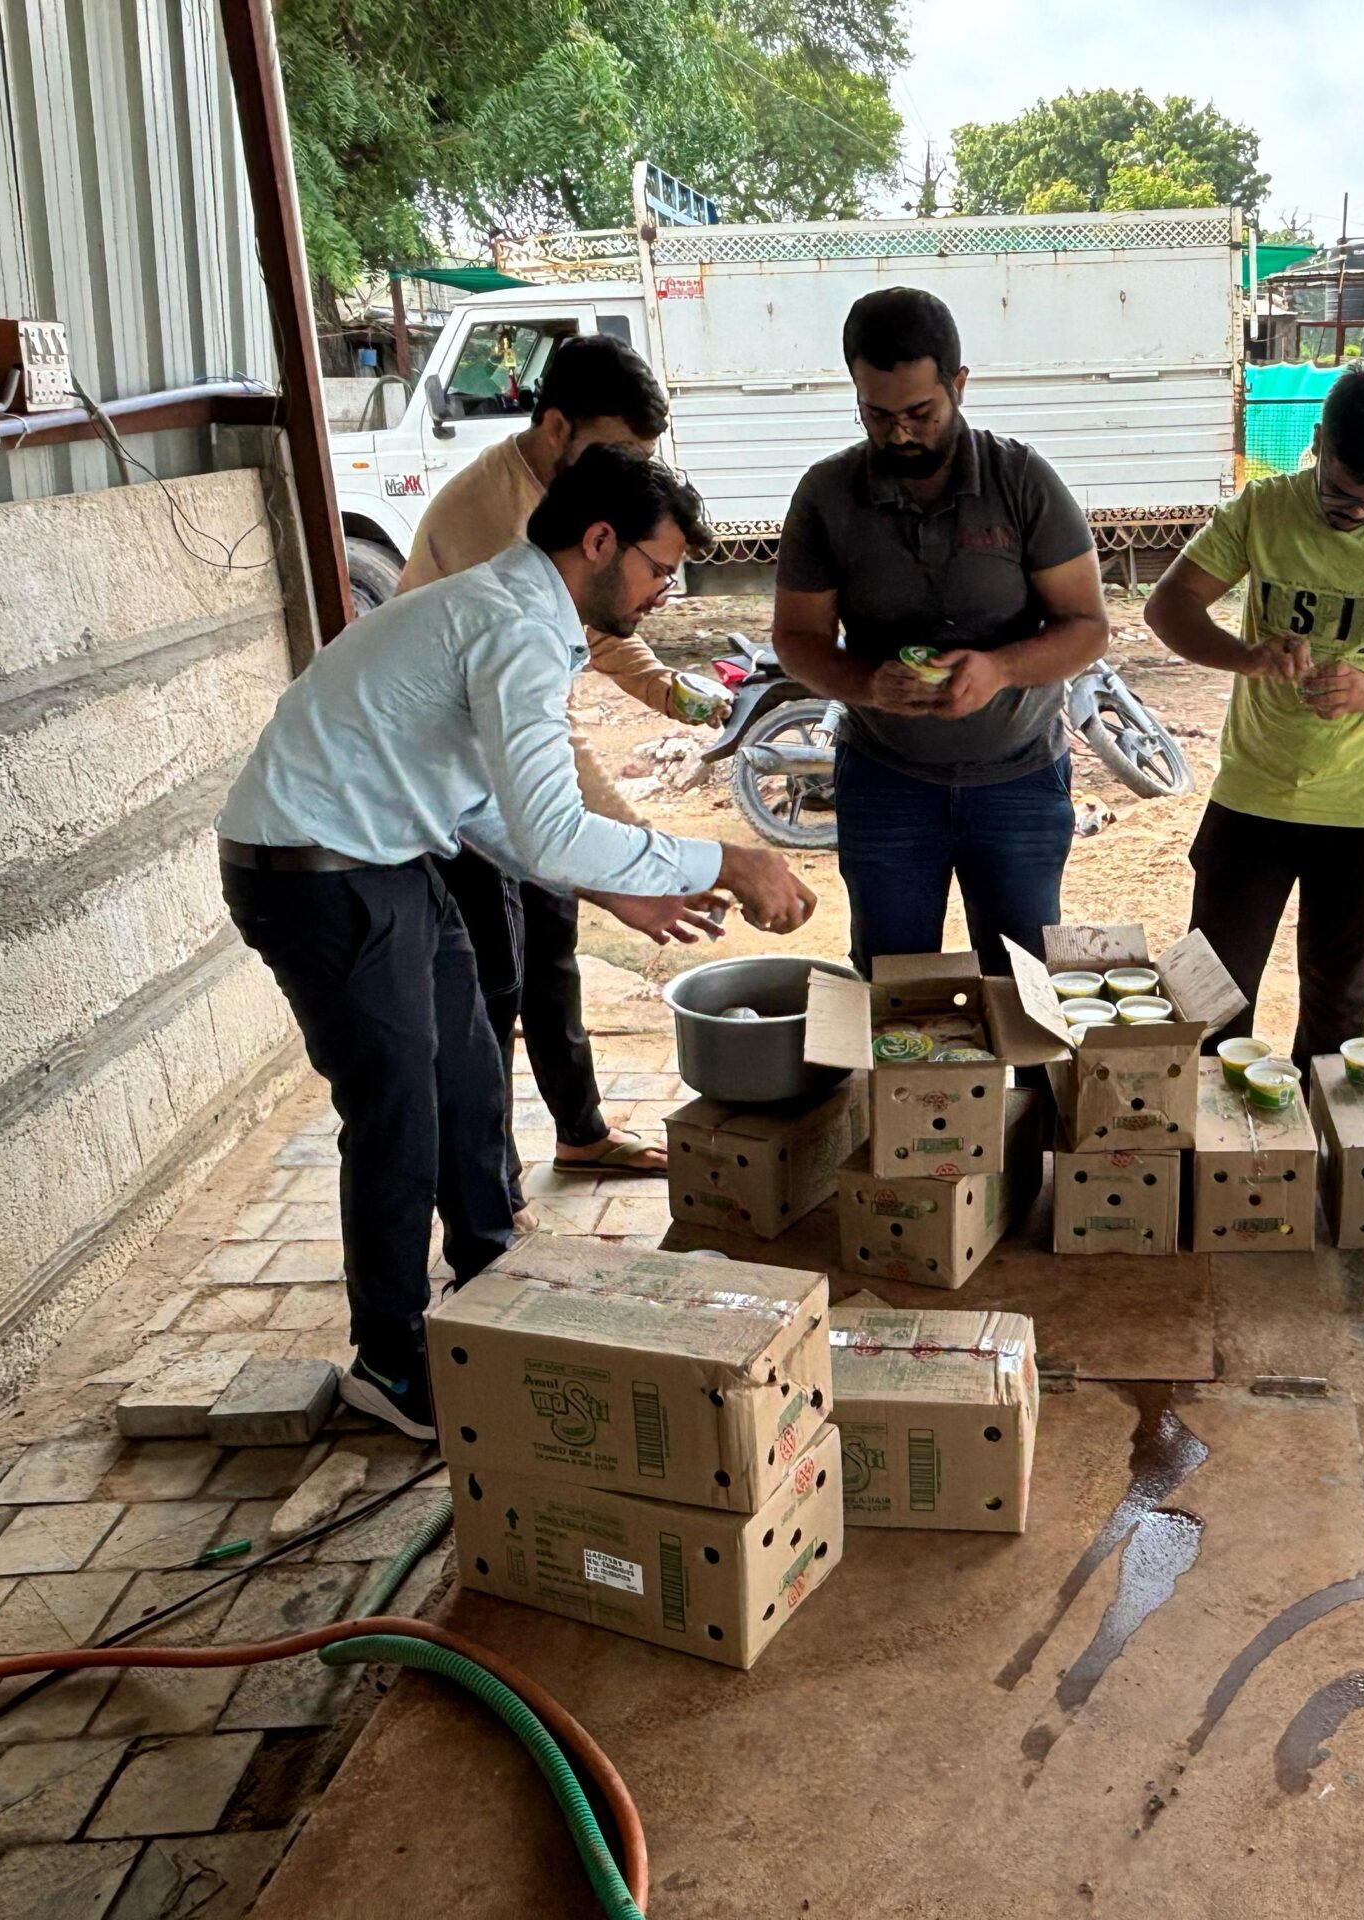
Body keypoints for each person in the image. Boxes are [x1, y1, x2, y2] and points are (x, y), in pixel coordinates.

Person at [218, 447, 818, 1439]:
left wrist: (616, 892)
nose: (667, 592)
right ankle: (391, 1362)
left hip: (387, 851)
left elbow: (490, 809)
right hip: (314, 871)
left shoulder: (520, 612)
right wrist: (725, 861)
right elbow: (540, 826)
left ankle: (496, 1272)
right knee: (397, 1111)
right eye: (660, 567)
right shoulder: (512, 626)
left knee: (465, 1068)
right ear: (598, 543)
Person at [398, 332, 723, 1211]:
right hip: (454, 782)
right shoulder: (488, 517)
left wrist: (668, 692)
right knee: (486, 988)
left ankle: (578, 1135)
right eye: (614, 452)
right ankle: (486, 1193)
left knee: (552, 955)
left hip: (505, 762)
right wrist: (643, 847)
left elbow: (609, 617)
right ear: (553, 425)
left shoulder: (584, 505)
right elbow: (547, 749)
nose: (626, 471)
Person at [1143, 363, 1364, 1067]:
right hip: (1254, 797)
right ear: (1319, 442)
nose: (1355, 513)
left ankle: (1312, 1168)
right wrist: (1246, 657)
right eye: (1339, 494)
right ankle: (1210, 1169)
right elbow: (1167, 606)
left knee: (1337, 1009)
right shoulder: (1263, 509)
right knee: (1210, 1000)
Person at [771, 287, 1108, 973]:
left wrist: (1003, 669)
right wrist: (868, 683)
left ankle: (1029, 1089)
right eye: (877, 414)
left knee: (1024, 987)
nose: (899, 433)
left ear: (959, 384)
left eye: (920, 412)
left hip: (1019, 780)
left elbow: (1088, 628)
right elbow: (796, 639)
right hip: (884, 780)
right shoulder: (827, 495)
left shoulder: (1023, 481)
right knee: (892, 989)